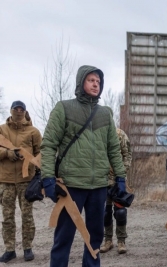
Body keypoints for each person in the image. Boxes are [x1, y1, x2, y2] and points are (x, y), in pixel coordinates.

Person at [40, 65, 126, 267]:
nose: (96, 84)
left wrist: (121, 177)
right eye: (91, 80)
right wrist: (48, 177)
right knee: (64, 236)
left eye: (98, 81)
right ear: (81, 82)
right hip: (71, 186)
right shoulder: (64, 108)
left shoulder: (105, 113)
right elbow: (49, 144)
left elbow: (113, 148)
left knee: (94, 236)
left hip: (98, 186)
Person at [0, 101, 42, 263]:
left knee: (27, 216)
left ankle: (27, 248)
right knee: (7, 217)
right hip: (6, 180)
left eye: (21, 109)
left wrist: (34, 161)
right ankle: (9, 249)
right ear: (11, 110)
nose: (18, 111)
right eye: (16, 109)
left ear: (25, 111)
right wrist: (7, 153)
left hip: (26, 181)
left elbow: (42, 152)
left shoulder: (33, 132)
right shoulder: (2, 130)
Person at [100, 128, 132, 254]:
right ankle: (108, 240)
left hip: (118, 180)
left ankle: (121, 241)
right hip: (102, 181)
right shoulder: (98, 133)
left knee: (120, 212)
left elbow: (127, 154)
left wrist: (122, 172)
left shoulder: (120, 134)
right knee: (105, 212)